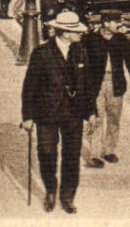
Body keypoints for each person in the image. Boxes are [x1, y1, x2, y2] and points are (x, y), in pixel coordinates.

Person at [21, 11, 97, 214]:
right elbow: (29, 87)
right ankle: (51, 190)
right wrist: (27, 117)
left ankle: (67, 197)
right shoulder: (41, 53)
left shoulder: (80, 51)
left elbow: (88, 83)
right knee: (46, 152)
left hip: (73, 113)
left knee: (72, 156)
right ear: (64, 33)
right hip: (46, 113)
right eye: (76, 31)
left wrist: (91, 112)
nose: (81, 34)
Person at [83, 18, 130, 169]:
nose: (116, 24)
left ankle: (109, 150)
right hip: (97, 85)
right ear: (105, 24)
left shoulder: (121, 40)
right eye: (113, 21)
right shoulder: (91, 39)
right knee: (97, 119)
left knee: (114, 118)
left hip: (116, 84)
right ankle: (95, 154)